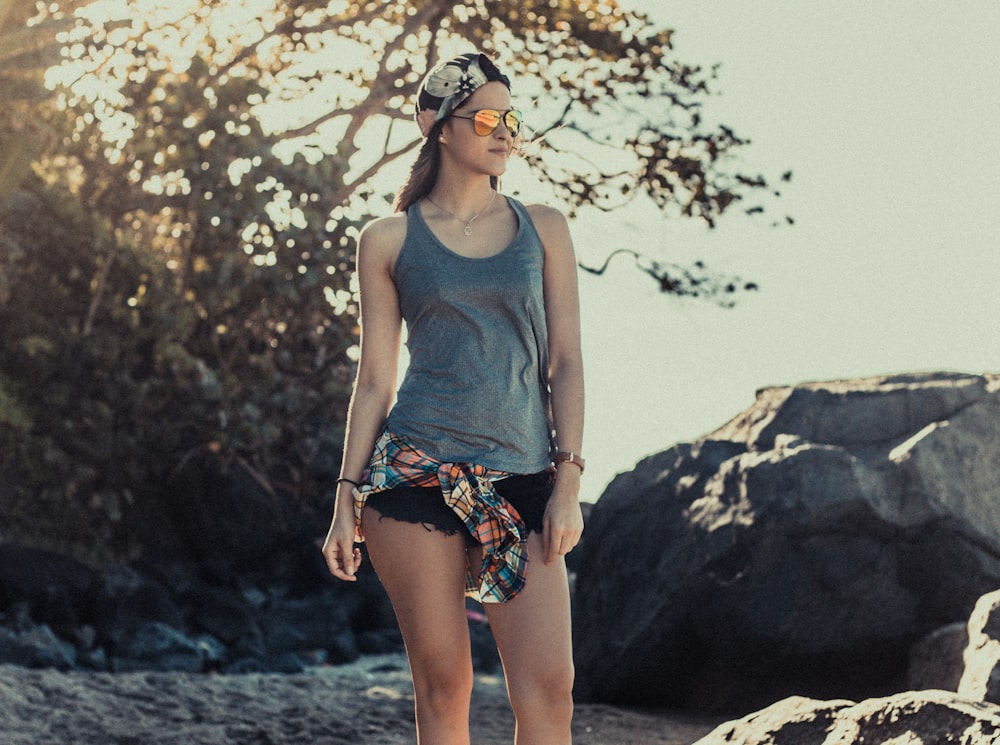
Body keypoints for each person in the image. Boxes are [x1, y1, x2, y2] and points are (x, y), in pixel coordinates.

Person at [321, 50, 585, 745]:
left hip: (525, 476)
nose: (505, 131)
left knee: (550, 689)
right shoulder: (386, 239)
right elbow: (375, 377)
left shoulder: (544, 228)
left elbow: (565, 361)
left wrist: (569, 481)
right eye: (488, 117)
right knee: (445, 685)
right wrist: (345, 495)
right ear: (438, 124)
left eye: (512, 119)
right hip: (413, 475)